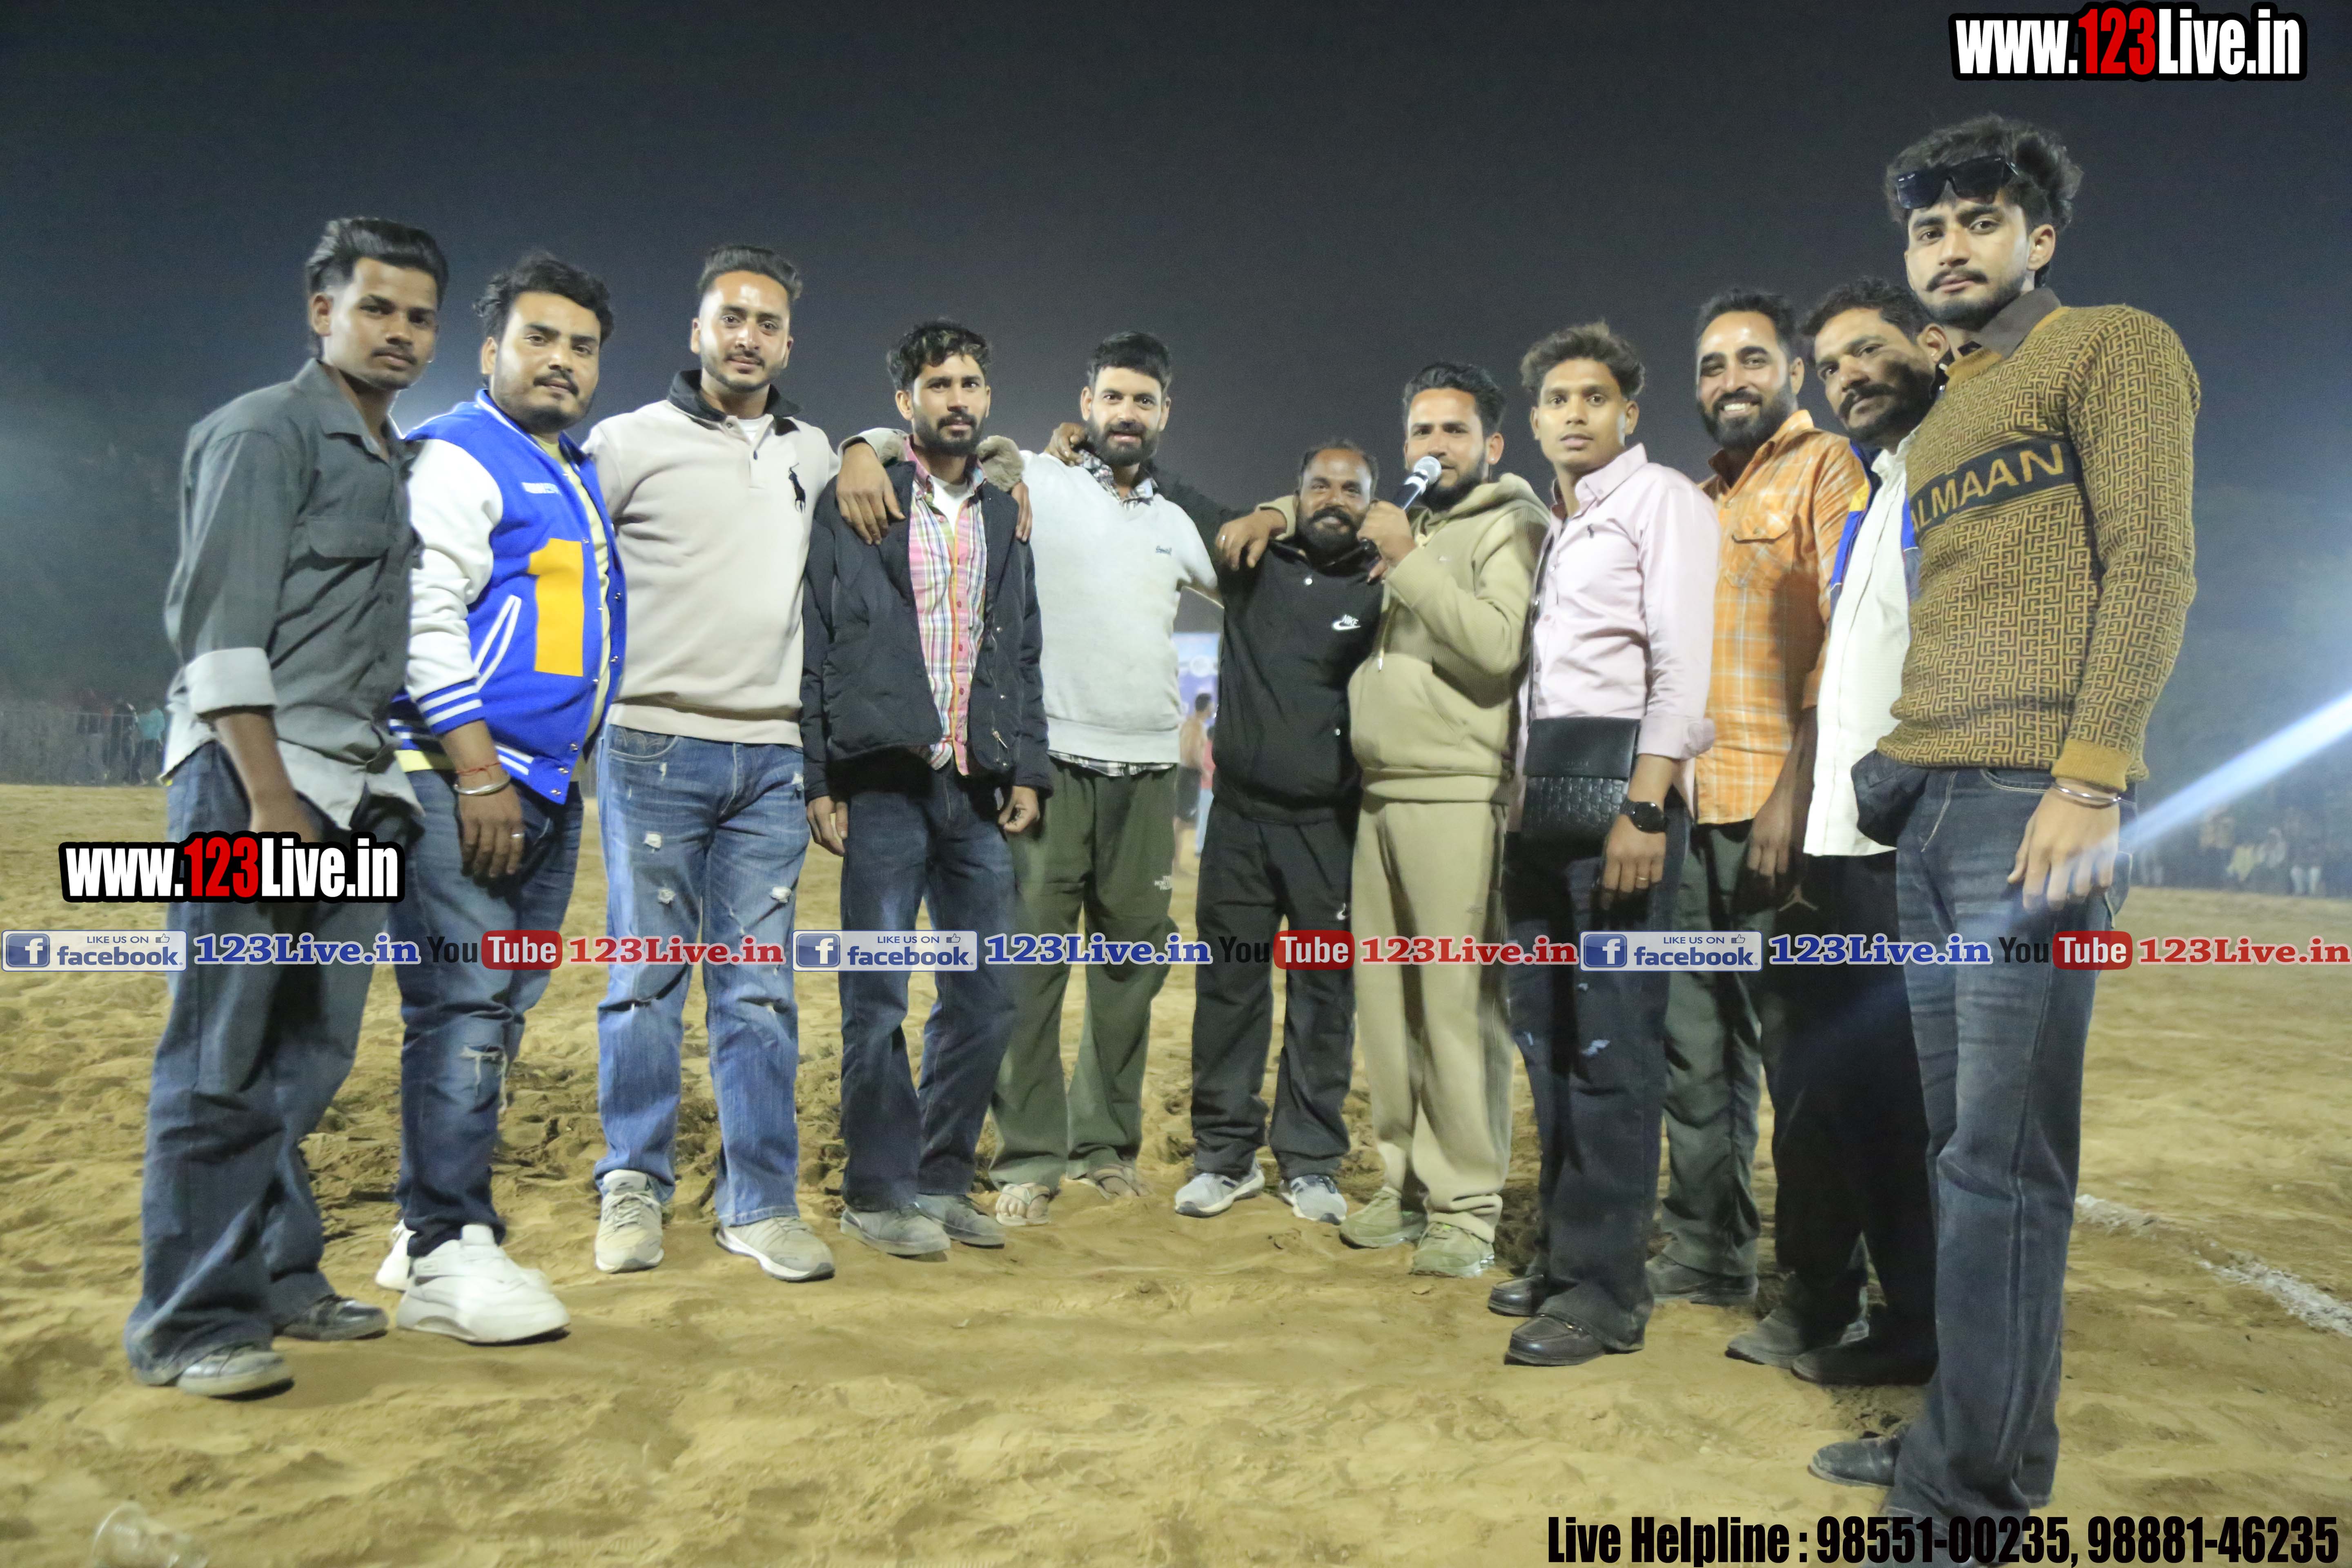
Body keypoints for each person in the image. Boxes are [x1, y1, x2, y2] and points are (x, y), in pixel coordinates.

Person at [1813, 115, 2199, 1523]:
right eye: (1930, 228)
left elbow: (2151, 566)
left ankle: (1970, 1499)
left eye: (1982, 221)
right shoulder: (1944, 412)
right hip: (1929, 810)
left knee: (2005, 1163)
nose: (1952, 247)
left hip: (2033, 803)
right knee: (1960, 1156)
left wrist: (2090, 780)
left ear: (2040, 238)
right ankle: (1965, 1437)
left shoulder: (2115, 347)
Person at [128, 216, 444, 1398]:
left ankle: (277, 1272)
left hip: (353, 792)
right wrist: (266, 797)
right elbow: (216, 629)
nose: (399, 332)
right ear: (323, 312)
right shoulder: (264, 431)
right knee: (222, 1056)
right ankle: (190, 1324)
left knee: (306, 1057)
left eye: (418, 316)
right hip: (254, 788)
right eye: (377, 308)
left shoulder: (391, 457)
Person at [837, 332, 1220, 1226]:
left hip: (1148, 768)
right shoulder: (1030, 480)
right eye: (1112, 398)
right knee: (1029, 970)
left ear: (1166, 413)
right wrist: (862, 443)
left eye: (1144, 401)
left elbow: (1249, 579)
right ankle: (1032, 1155)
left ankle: (1106, 1145)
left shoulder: (1176, 523)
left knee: (1131, 971)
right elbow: (937, 441)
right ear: (1085, 405)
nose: (1126, 414)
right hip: (1048, 770)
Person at [1232, 363, 1547, 1275]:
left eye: (1454, 431)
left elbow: (1497, 649)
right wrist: (1280, 512)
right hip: (1377, 797)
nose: (1434, 446)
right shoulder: (1409, 524)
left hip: (1457, 796)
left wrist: (1408, 562)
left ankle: (1467, 1205)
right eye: (1421, 431)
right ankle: (1407, 1185)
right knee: (1389, 1009)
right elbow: (1321, 513)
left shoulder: (1512, 524)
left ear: (1493, 445)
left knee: (1454, 1009)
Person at [374, 252, 622, 1343]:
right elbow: (423, 617)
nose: (561, 361)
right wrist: (476, 771)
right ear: (491, 351)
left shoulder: (567, 469)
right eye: (539, 338)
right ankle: (447, 1246)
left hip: (544, 789)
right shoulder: (457, 453)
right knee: (466, 1006)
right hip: (460, 784)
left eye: (581, 347)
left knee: (498, 1006)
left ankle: (418, 1224)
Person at [583, 244, 840, 1284]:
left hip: (772, 758)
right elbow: (561, 558)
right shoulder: (626, 441)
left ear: (788, 343)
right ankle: (632, 1185)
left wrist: (867, 448)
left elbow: (888, 460)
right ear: (697, 333)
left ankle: (760, 1202)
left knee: (760, 990)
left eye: (767, 323)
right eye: (731, 318)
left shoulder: (814, 451)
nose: (748, 337)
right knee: (646, 979)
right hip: (652, 742)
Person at [1726, 278, 1945, 1386]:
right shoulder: (1874, 495)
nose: (1847, 375)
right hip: (1837, 850)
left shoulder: (1951, 484)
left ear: (1932, 346)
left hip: (1910, 849)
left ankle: (1921, 1329)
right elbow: (1841, 677)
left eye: (1867, 350)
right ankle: (1845, 1302)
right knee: (1833, 1092)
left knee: (1905, 1104)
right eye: (1832, 364)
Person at [1488, 324, 1718, 1365]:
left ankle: (1608, 1293)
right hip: (1543, 816)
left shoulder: (1661, 500)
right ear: (1536, 421)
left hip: (1622, 813)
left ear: (1629, 411)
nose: (1574, 414)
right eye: (1556, 400)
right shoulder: (1561, 525)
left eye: (1594, 397)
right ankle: (1566, 1257)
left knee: (1614, 1052)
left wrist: (1647, 808)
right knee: (1548, 1045)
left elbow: (1681, 664)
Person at [801, 320, 1047, 1259]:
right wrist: (821, 774)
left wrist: (1028, 766)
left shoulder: (1004, 512)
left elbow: (1022, 647)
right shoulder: (860, 496)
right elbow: (820, 635)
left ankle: (941, 1182)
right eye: (938, 384)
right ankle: (876, 1192)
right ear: (906, 401)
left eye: (970, 383)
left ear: (987, 399)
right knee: (876, 1000)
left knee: (986, 998)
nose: (957, 398)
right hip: (886, 786)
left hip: (975, 789)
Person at [1653, 290, 1864, 1308]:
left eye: (1750, 359)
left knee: (1801, 1058)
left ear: (1793, 371)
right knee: (1695, 1051)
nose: (1730, 380)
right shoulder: (1694, 504)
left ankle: (1821, 1284)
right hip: (1694, 814)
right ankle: (1707, 1251)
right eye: (1711, 366)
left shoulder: (1829, 467)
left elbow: (1846, 637)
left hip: (1781, 816)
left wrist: (1795, 795)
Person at [1171, 443, 1384, 1226]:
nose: (1335, 499)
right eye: (1319, 486)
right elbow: (1174, 486)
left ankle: (1311, 1163)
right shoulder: (1252, 561)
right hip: (1239, 824)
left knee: (1324, 999)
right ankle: (1224, 1159)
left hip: (1331, 830)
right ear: (1296, 496)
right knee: (1229, 989)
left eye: (1351, 489)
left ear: (1372, 503)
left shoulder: (1386, 582)